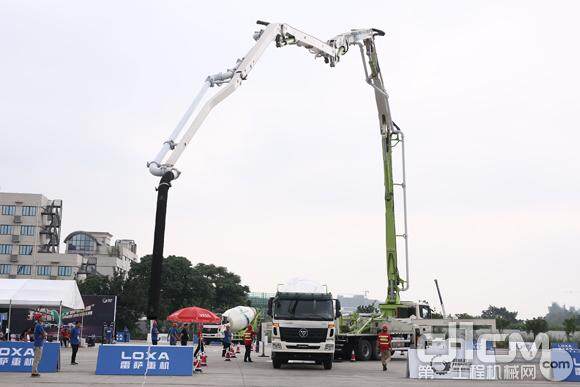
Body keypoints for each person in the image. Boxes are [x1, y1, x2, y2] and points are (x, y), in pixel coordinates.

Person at [31, 313, 46, 377]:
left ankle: (35, 371)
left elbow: (43, 335)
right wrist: (44, 336)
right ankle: (34, 372)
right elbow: (44, 334)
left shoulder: (38, 325)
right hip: (38, 345)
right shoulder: (39, 325)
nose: (43, 317)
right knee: (37, 358)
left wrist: (43, 336)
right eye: (41, 316)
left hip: (38, 344)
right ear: (39, 318)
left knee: (37, 358)